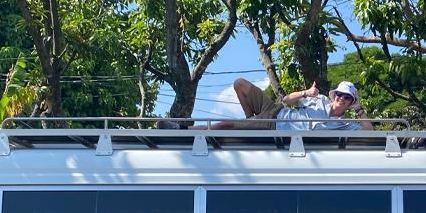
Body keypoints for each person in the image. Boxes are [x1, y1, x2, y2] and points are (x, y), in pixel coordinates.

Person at [158, 80, 373, 131]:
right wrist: (306, 93)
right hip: (276, 111)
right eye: (340, 94)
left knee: (226, 125)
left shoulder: (345, 125)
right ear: (335, 95)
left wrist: (360, 110)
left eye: (347, 98)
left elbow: (370, 132)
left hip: (274, 128)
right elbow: (286, 101)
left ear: (351, 103)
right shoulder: (319, 99)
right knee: (239, 84)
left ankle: (182, 129)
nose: (342, 99)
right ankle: (250, 120)